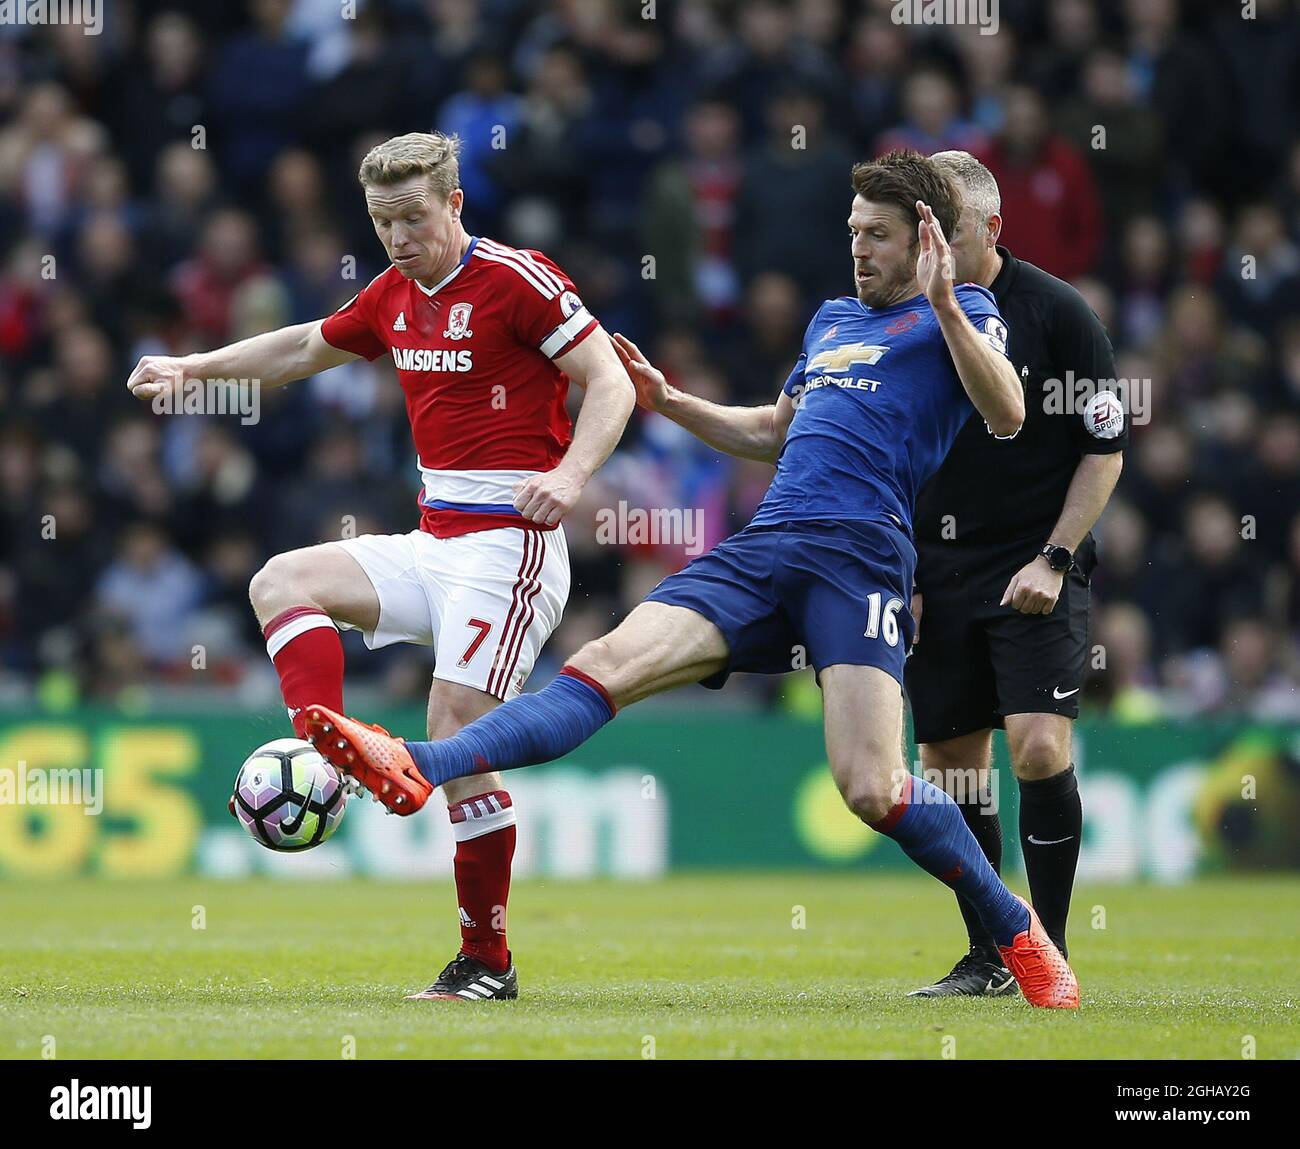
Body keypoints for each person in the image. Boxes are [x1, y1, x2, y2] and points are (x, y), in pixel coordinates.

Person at [302, 151, 1079, 1009]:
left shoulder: (965, 311)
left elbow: (1006, 410)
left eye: (878, 235)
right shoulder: (831, 320)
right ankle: (413, 761)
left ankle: (1016, 928)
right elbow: (771, 432)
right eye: (852, 231)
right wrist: (671, 401)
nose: (857, 248)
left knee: (874, 788)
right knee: (603, 663)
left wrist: (940, 297)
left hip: (860, 556)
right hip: (766, 542)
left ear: (926, 239)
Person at [126, 132, 634, 1003]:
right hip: (435, 543)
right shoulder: (394, 294)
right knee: (282, 580)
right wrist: (193, 368)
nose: (399, 236)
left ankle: (488, 962)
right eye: (383, 220)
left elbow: (610, 381)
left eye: (413, 216)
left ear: (455, 204)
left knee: (456, 736)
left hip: (510, 547)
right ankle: (323, 743)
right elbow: (297, 351)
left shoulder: (517, 281)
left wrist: (572, 474)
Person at [905, 150, 1125, 997]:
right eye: (916, 228)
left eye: (944, 231)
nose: (928, 247)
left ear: (990, 230)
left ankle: (1050, 944)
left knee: (1035, 748)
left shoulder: (1059, 315)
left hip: (1037, 560)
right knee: (953, 765)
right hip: (937, 570)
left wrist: (1057, 557)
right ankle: (991, 951)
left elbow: (1104, 452)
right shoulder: (901, 313)